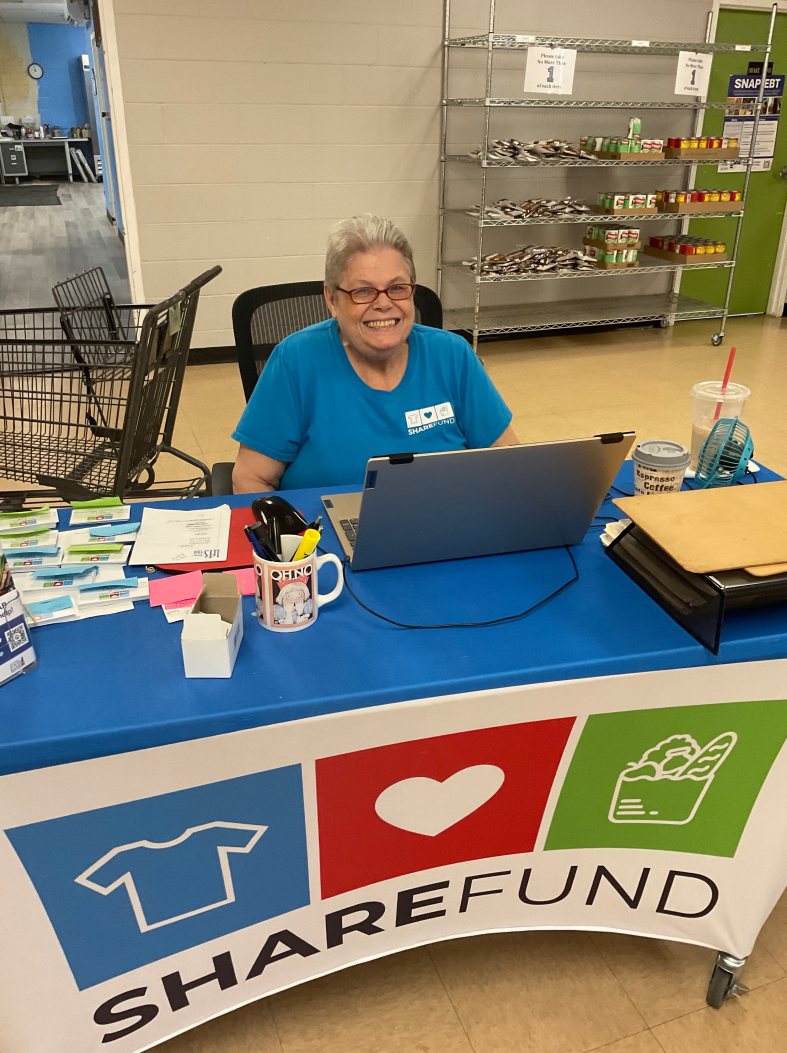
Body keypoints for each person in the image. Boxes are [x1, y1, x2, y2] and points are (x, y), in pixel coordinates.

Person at [231, 214, 518, 493]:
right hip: (325, 535)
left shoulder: (453, 356)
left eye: (396, 288)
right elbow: (252, 480)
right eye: (364, 291)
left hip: (445, 526)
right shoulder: (295, 361)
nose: (384, 303)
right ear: (332, 299)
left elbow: (510, 464)